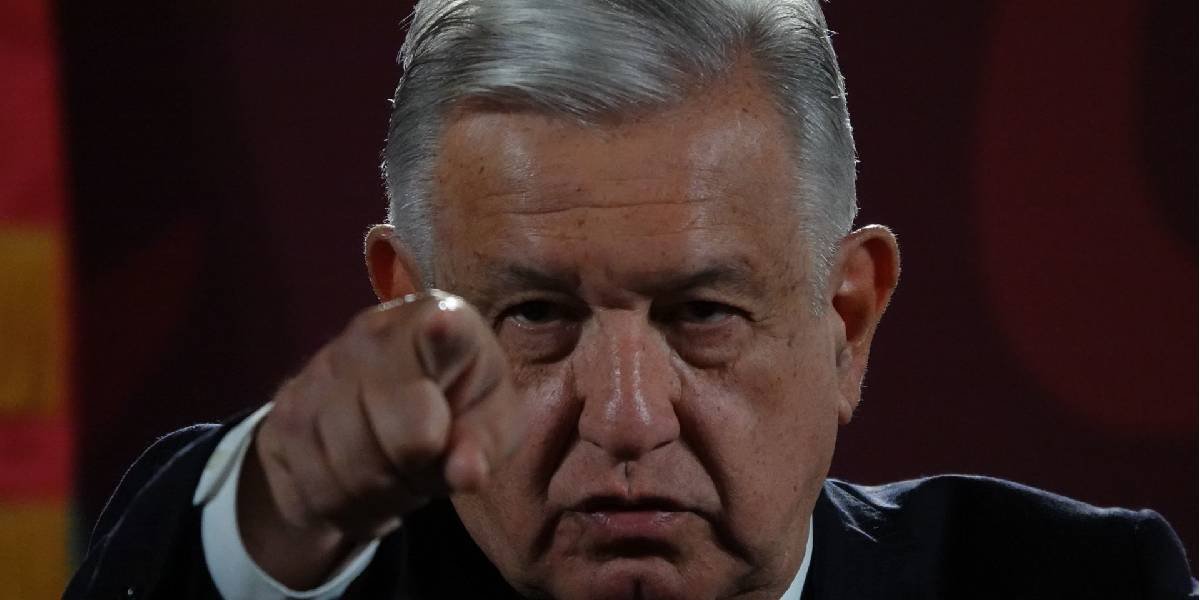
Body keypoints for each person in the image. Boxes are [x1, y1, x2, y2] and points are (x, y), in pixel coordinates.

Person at [65, 0, 1196, 598]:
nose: (625, 417)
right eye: (536, 317)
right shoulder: (290, 572)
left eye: (702, 315)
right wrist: (273, 506)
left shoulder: (1079, 586)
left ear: (846, 322)